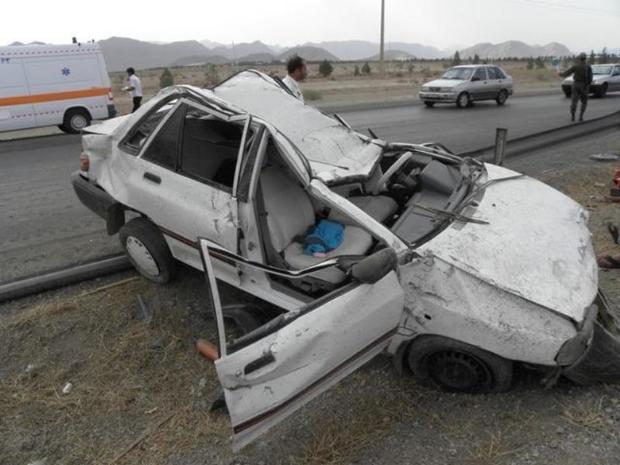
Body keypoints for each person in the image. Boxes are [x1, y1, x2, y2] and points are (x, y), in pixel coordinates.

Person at [558, 53, 593, 122]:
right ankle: (581, 117)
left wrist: (560, 74)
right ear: (585, 59)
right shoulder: (588, 67)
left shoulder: (575, 66)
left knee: (574, 102)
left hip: (575, 85)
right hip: (584, 85)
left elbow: (566, 73)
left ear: (579, 59)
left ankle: (573, 117)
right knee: (584, 102)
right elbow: (590, 78)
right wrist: (588, 85)